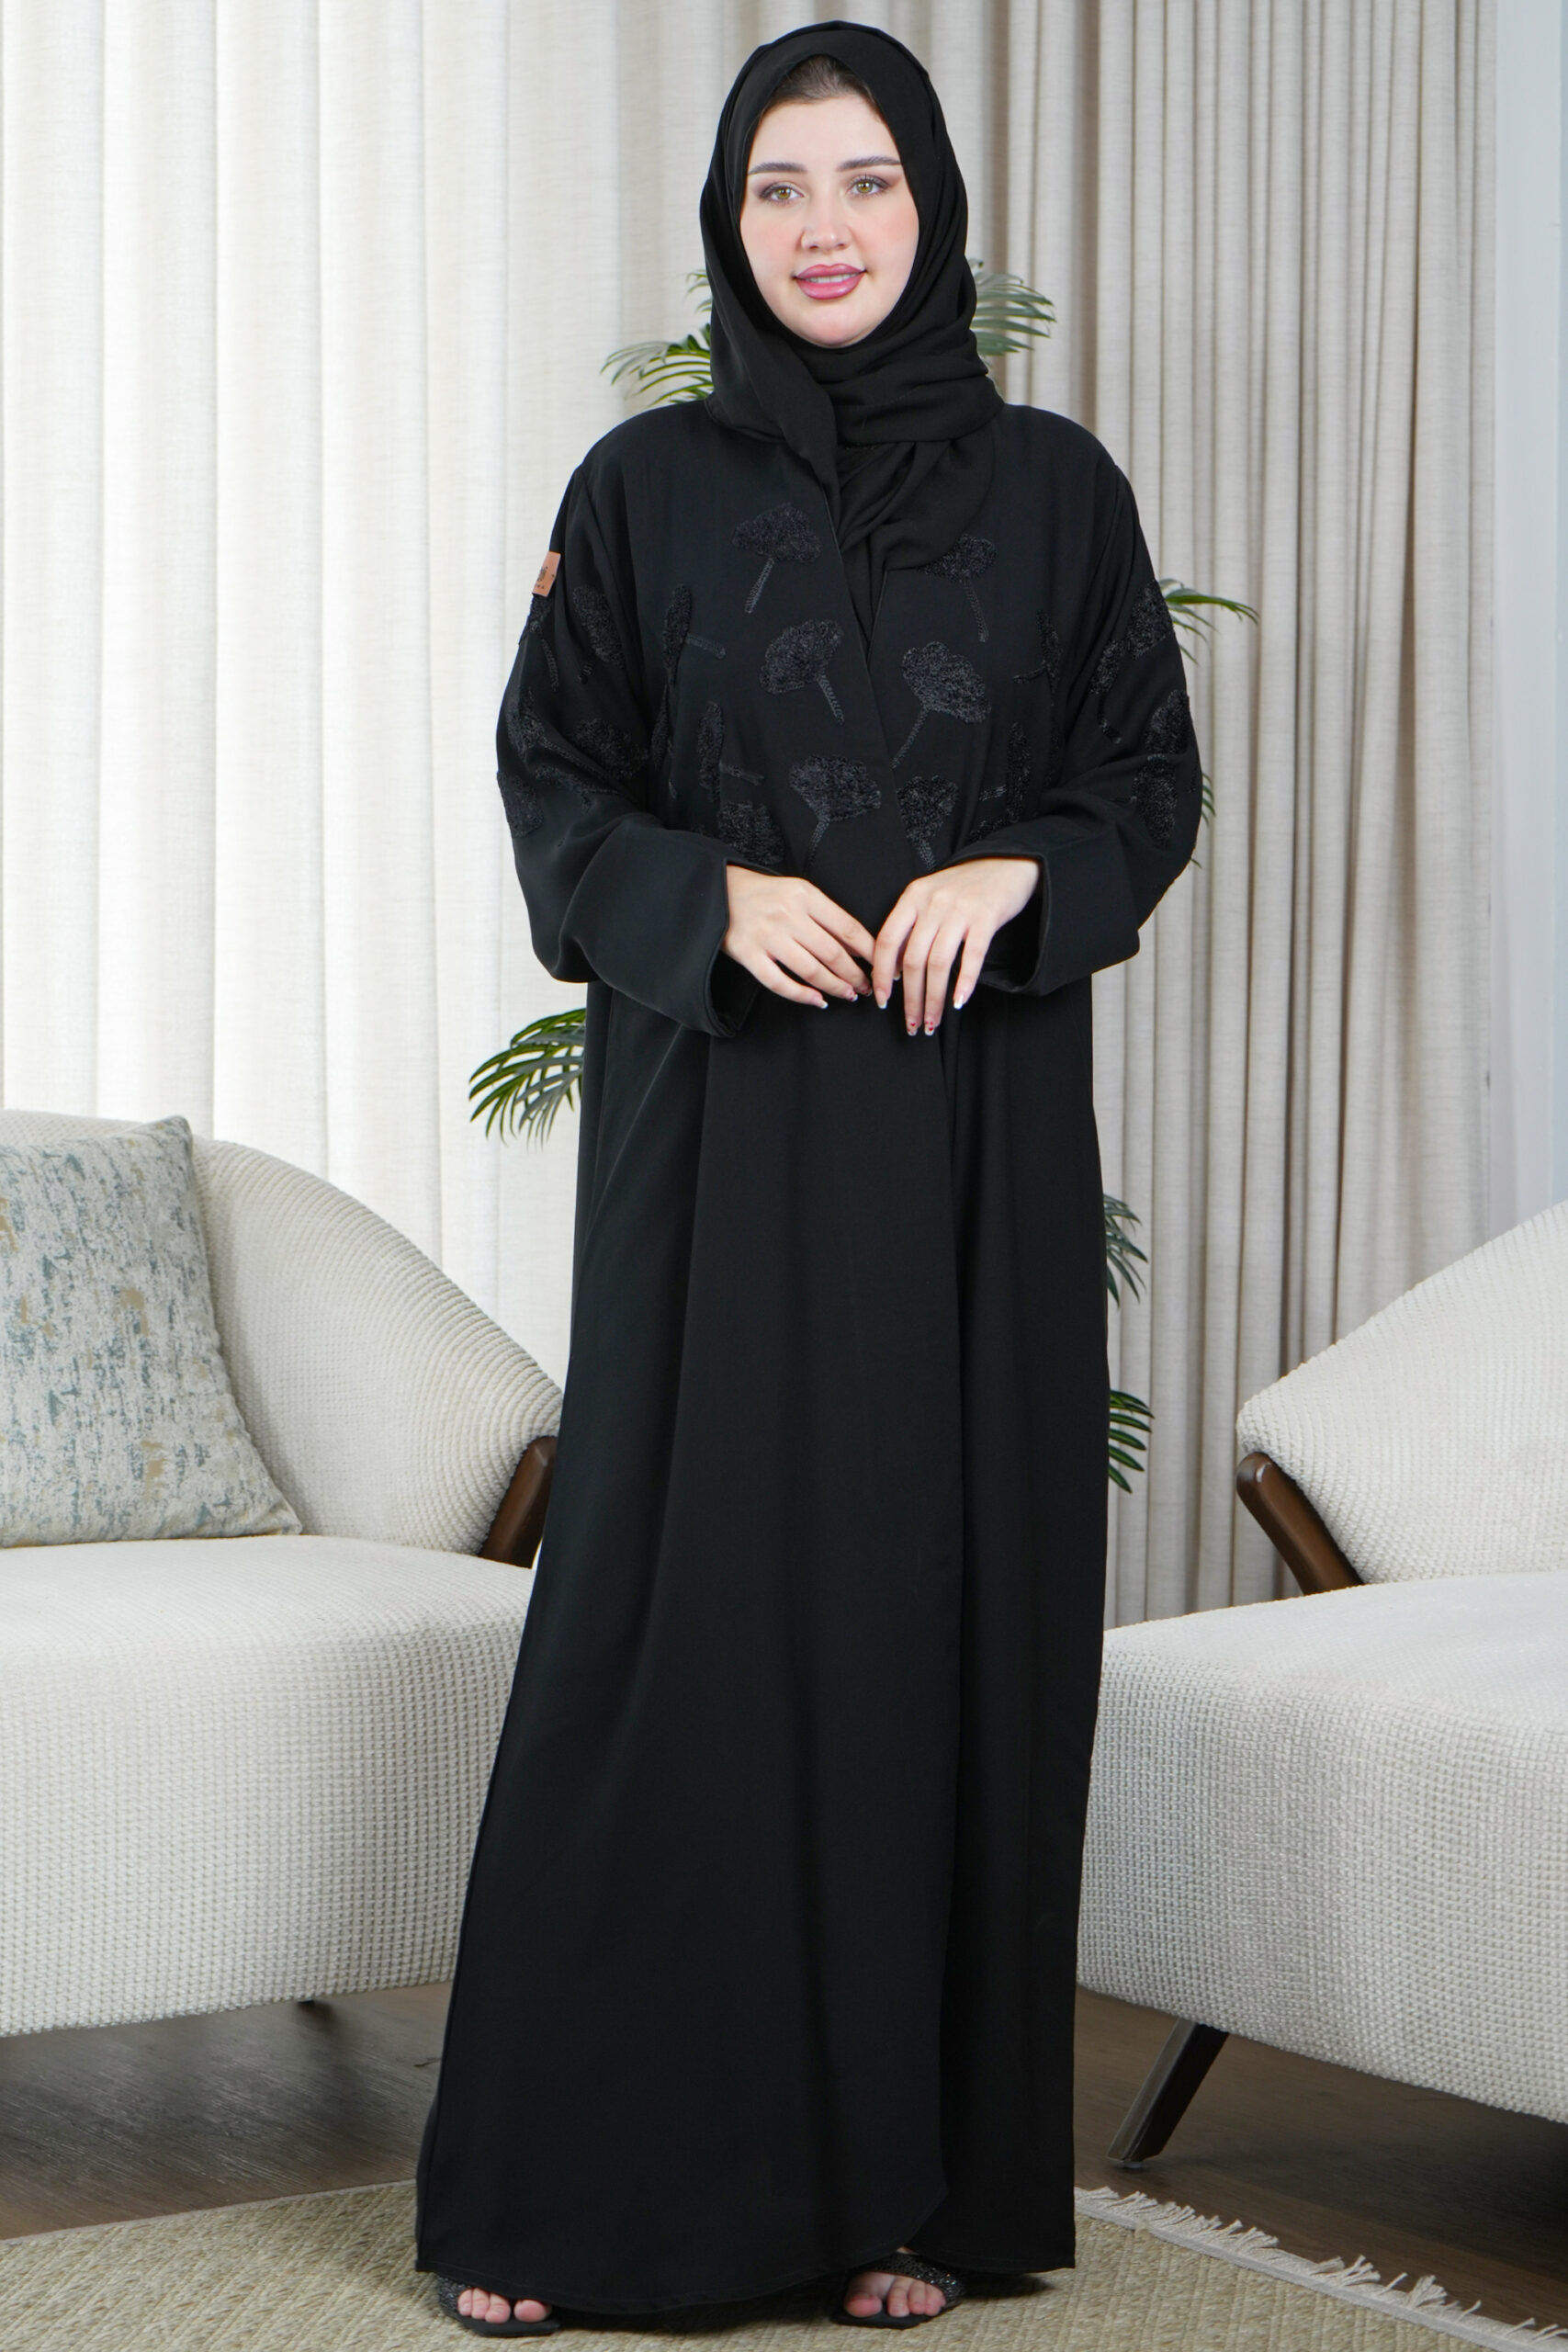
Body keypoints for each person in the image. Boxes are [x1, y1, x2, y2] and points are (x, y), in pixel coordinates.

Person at [414, 18, 1201, 2339]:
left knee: (927, 1630)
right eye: (778, 188)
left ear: (929, 208)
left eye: (863, 181)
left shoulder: (1055, 491)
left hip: (970, 1146)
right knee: (663, 1621)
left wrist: (1016, 874)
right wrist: (708, 895)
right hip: (720, 1136)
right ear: (727, 222)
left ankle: (896, 2189)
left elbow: (1141, 778)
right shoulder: (640, 489)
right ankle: (568, 2192)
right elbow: (552, 778)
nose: (822, 226)